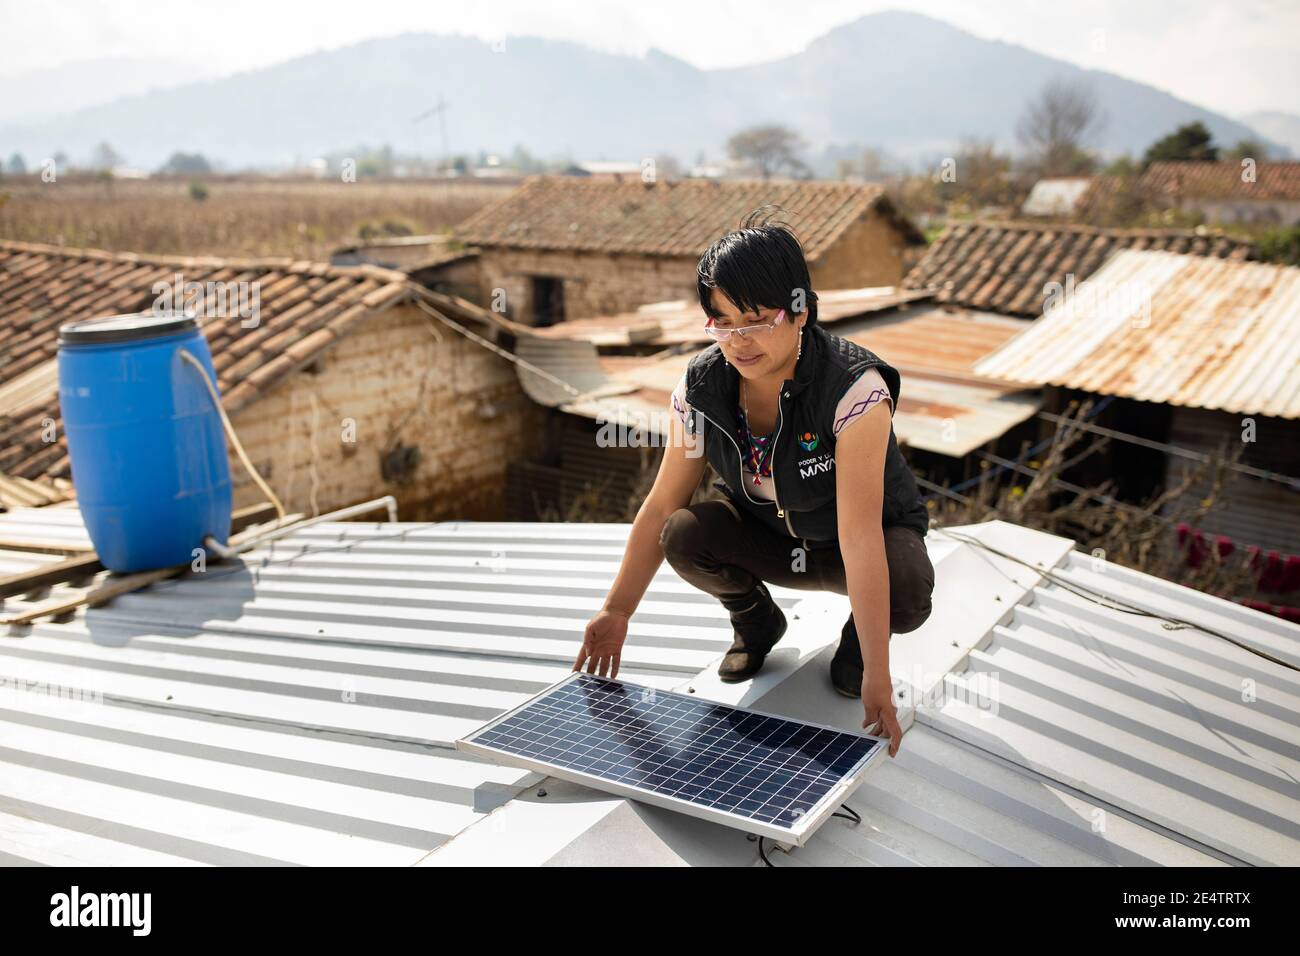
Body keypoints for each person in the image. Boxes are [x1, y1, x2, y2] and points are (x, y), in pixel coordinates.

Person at [571, 207, 935, 757]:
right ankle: (756, 623)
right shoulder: (701, 388)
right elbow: (660, 503)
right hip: (768, 535)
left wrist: (880, 676)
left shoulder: (854, 390)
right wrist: (617, 609)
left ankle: (859, 644)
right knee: (683, 532)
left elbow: (860, 534)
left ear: (800, 311)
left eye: (757, 319)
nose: (739, 341)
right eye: (722, 321)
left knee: (907, 592)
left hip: (853, 545)